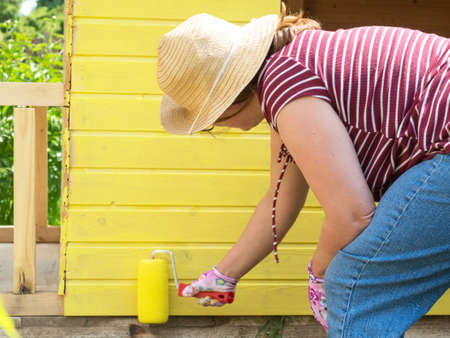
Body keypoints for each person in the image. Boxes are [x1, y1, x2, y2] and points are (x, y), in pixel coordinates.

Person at [157, 4, 450, 337]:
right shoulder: (290, 76)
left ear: (228, 101)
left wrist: (321, 274)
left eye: (211, 120)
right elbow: (280, 198)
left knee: (354, 283)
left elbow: (353, 214)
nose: (223, 127)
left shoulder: (284, 83)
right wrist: (224, 275)